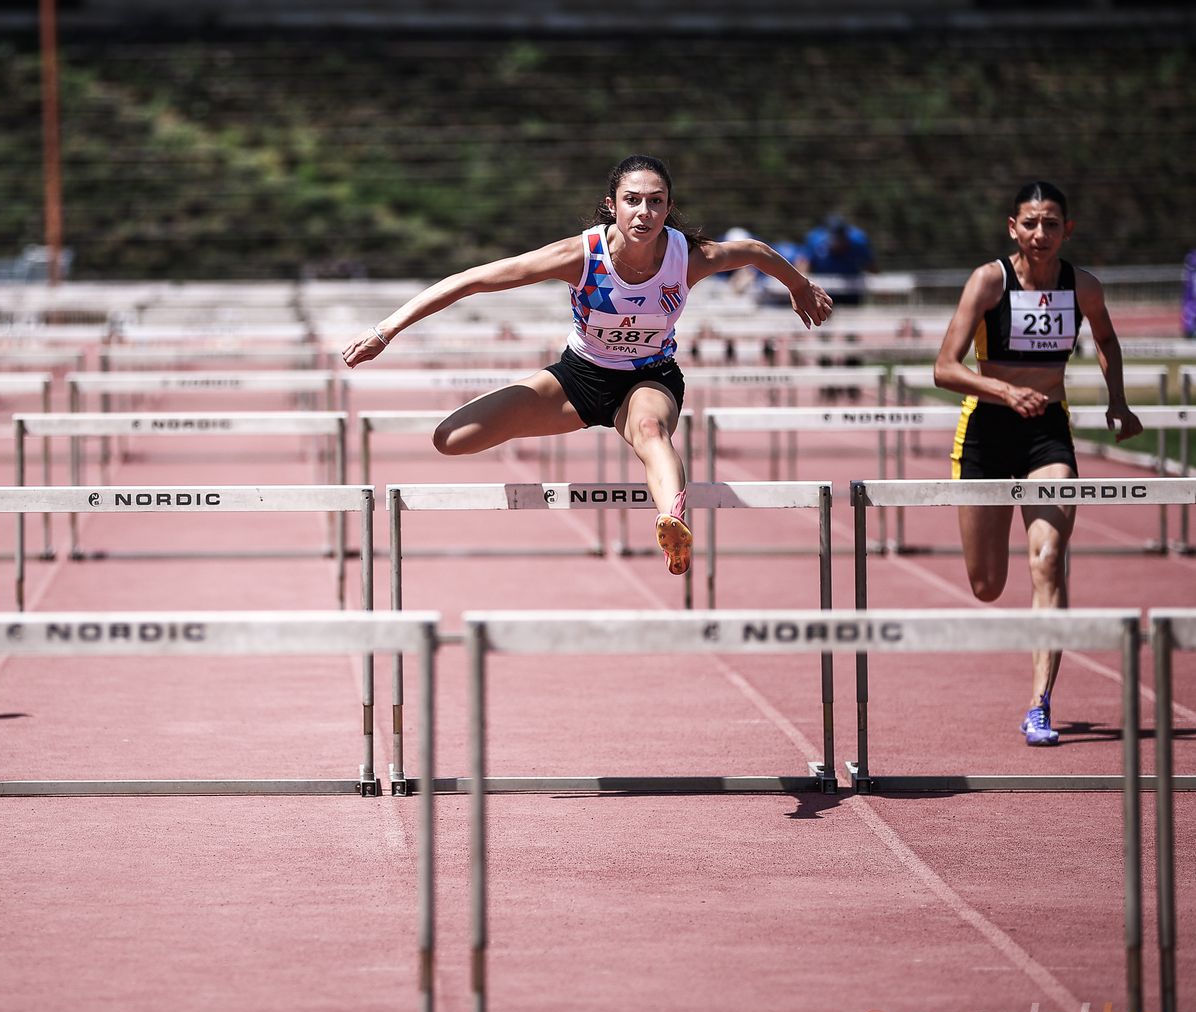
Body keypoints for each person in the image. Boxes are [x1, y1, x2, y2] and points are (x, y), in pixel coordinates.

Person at [343, 154, 833, 575]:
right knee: (450, 440)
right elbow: (471, 280)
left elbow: (753, 252)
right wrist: (385, 331)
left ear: (669, 206)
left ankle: (673, 521)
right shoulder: (581, 256)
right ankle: (610, 446)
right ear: (612, 204)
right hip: (579, 378)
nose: (645, 211)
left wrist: (798, 286)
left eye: (656, 201)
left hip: (648, 378)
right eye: (633, 200)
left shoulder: (688, 258)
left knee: (650, 432)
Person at [932, 180, 1142, 747]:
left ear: (1067, 230)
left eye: (1052, 224)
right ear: (1013, 228)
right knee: (987, 584)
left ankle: (1039, 705)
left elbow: (1107, 340)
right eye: (1031, 223)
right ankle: (1036, 688)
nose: (1041, 234)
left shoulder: (1083, 287)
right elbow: (944, 369)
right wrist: (1003, 391)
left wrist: (1117, 399)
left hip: (1047, 434)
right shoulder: (989, 280)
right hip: (985, 433)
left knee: (1048, 561)